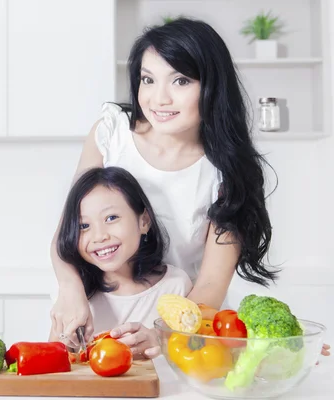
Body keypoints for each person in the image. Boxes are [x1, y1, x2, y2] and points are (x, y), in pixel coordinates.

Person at [49, 17, 330, 357]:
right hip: (96, 310)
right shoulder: (111, 134)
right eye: (148, 79)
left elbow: (211, 283)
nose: (158, 98)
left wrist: (163, 335)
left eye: (180, 80)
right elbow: (69, 229)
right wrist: (69, 289)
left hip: (185, 324)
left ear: (211, 86)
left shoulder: (226, 173)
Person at [48, 166, 191, 358]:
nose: (99, 236)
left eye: (111, 218)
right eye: (84, 226)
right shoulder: (74, 295)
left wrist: (159, 341)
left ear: (144, 221)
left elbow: (189, 354)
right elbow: (53, 365)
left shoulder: (175, 286)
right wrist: (65, 342)